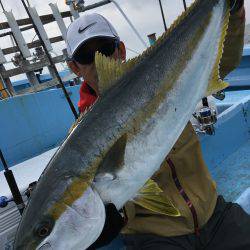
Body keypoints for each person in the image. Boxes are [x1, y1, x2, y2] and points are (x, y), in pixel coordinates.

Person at [66, 1, 250, 249]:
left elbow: (220, 64)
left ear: (120, 50)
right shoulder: (80, 142)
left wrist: (235, 16)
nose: (99, 61)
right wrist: (104, 222)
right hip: (154, 236)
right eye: (86, 56)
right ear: (74, 67)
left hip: (212, 213)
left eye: (106, 49)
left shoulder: (161, 79)